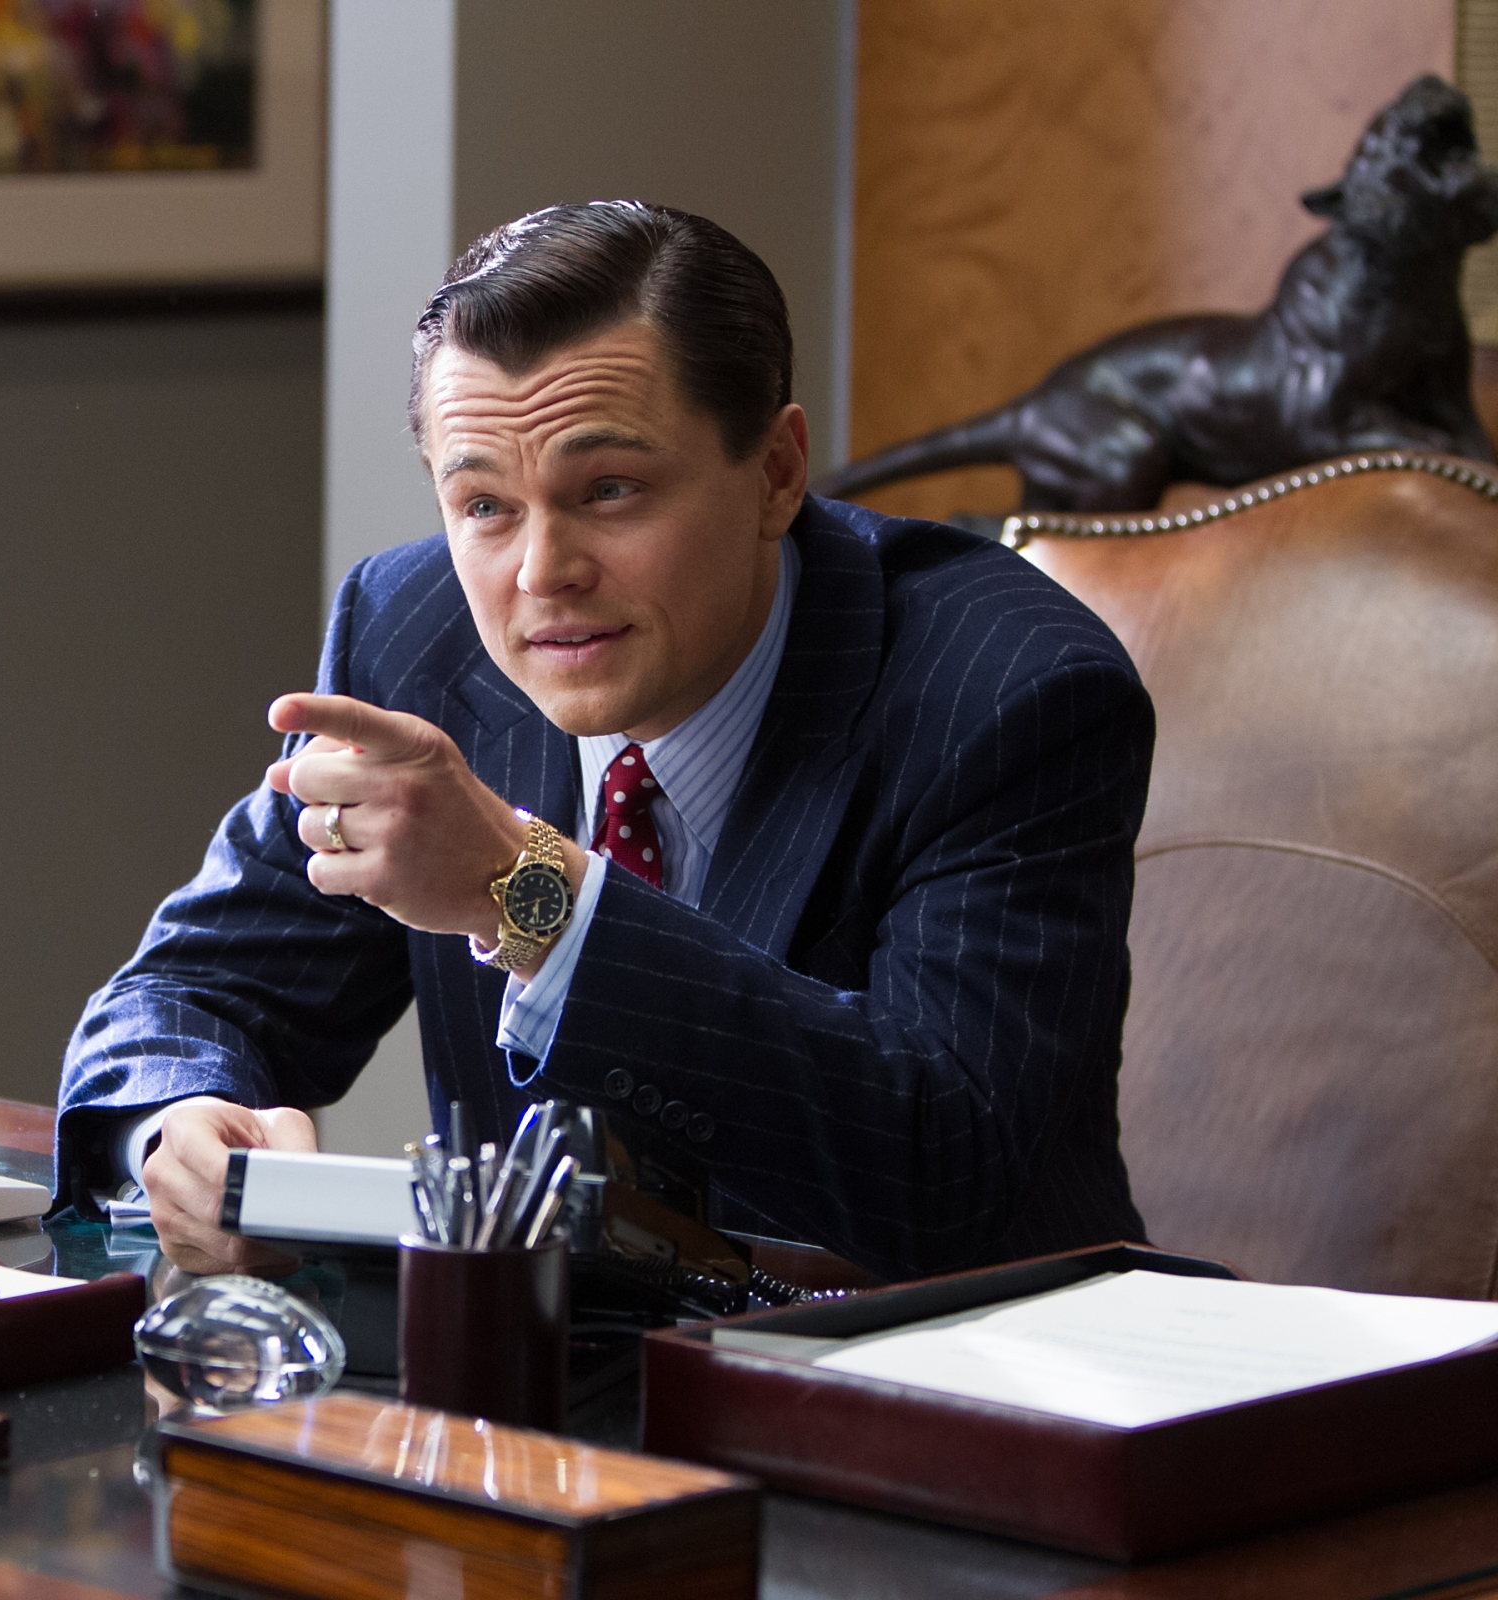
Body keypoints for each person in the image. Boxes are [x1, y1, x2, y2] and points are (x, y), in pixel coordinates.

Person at [55, 201, 1152, 1283]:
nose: (542, 573)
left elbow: (945, 1164)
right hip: (536, 1366)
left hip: (947, 1367)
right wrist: (181, 1129)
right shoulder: (413, 636)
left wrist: (525, 892)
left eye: (610, 490)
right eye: (484, 506)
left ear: (777, 473)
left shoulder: (1009, 690)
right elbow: (188, 992)